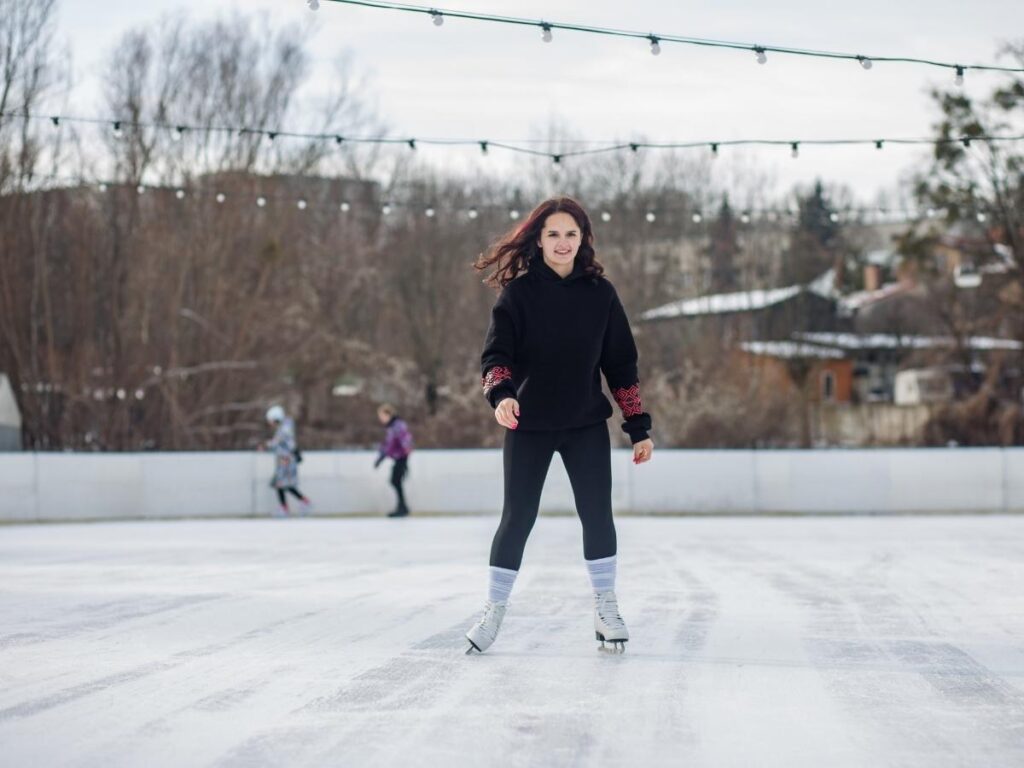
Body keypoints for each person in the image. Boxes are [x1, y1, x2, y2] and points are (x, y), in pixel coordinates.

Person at [465, 196, 653, 655]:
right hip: (528, 424)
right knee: (518, 518)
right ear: (539, 240)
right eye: (553, 234)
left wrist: (638, 426)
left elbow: (621, 365)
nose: (563, 242)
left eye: (571, 233)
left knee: (597, 516)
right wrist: (502, 395)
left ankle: (606, 607)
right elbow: (496, 357)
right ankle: (494, 610)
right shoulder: (520, 294)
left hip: (585, 424)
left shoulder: (601, 295)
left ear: (583, 239)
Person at [262, 405, 312, 517]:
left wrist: (266, 445)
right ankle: (299, 503)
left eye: (270, 420)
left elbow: (281, 442)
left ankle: (290, 506)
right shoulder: (284, 427)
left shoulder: (284, 429)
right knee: (283, 484)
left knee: (282, 484)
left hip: (286, 460)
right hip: (284, 459)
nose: (270, 423)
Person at [374, 404, 414, 517]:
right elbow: (388, 445)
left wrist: (406, 451)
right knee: (395, 481)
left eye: (381, 416)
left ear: (388, 414)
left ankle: (402, 507)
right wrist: (380, 458)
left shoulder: (397, 425)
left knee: (395, 480)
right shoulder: (391, 427)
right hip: (398, 457)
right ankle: (402, 506)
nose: (380, 419)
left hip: (401, 457)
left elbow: (404, 439)